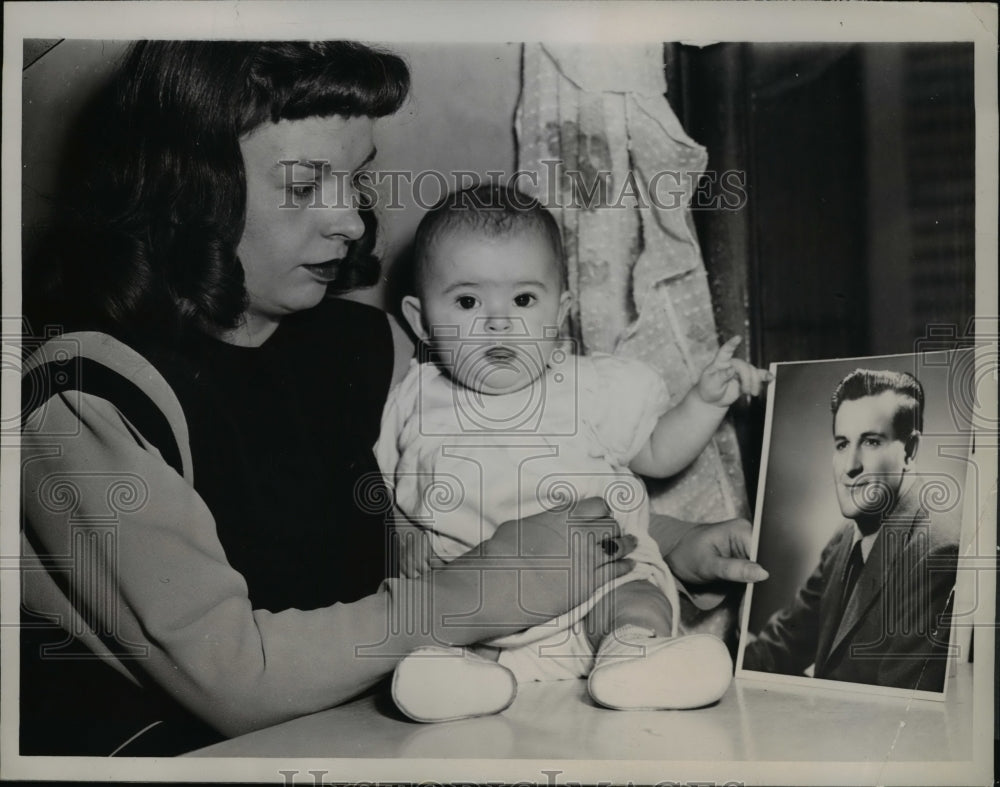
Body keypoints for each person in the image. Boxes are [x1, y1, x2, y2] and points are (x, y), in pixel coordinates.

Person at [19, 41, 765, 756]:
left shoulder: (372, 343)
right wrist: (475, 593)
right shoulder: (85, 396)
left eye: (357, 183)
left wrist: (660, 541)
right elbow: (234, 679)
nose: (347, 220)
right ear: (189, 186)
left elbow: (509, 484)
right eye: (307, 186)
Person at [377, 185, 771, 722]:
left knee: (637, 595)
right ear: (422, 321)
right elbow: (386, 485)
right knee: (431, 623)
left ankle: (633, 654)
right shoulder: (412, 398)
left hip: (596, 587)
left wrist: (704, 403)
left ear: (560, 311)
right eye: (468, 302)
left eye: (523, 300)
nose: (499, 322)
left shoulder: (589, 386)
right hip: (474, 601)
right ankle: (454, 677)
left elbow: (657, 453)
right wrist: (401, 535)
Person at [742, 369, 959, 691]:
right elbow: (780, 647)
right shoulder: (845, 538)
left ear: (910, 451)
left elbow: (899, 717)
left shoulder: (936, 556)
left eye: (871, 441)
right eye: (842, 444)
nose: (850, 466)